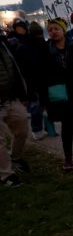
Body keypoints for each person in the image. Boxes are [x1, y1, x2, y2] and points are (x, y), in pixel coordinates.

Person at [40, 18, 73, 170]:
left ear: (63, 30)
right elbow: (42, 76)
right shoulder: (46, 49)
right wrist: (45, 99)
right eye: (50, 30)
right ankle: (68, 157)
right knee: (66, 127)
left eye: (56, 29)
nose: (53, 32)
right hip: (59, 93)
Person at [0, 34, 30, 186]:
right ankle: (6, 174)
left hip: (10, 98)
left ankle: (15, 157)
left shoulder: (3, 43)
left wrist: (22, 93)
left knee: (22, 128)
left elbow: (15, 69)